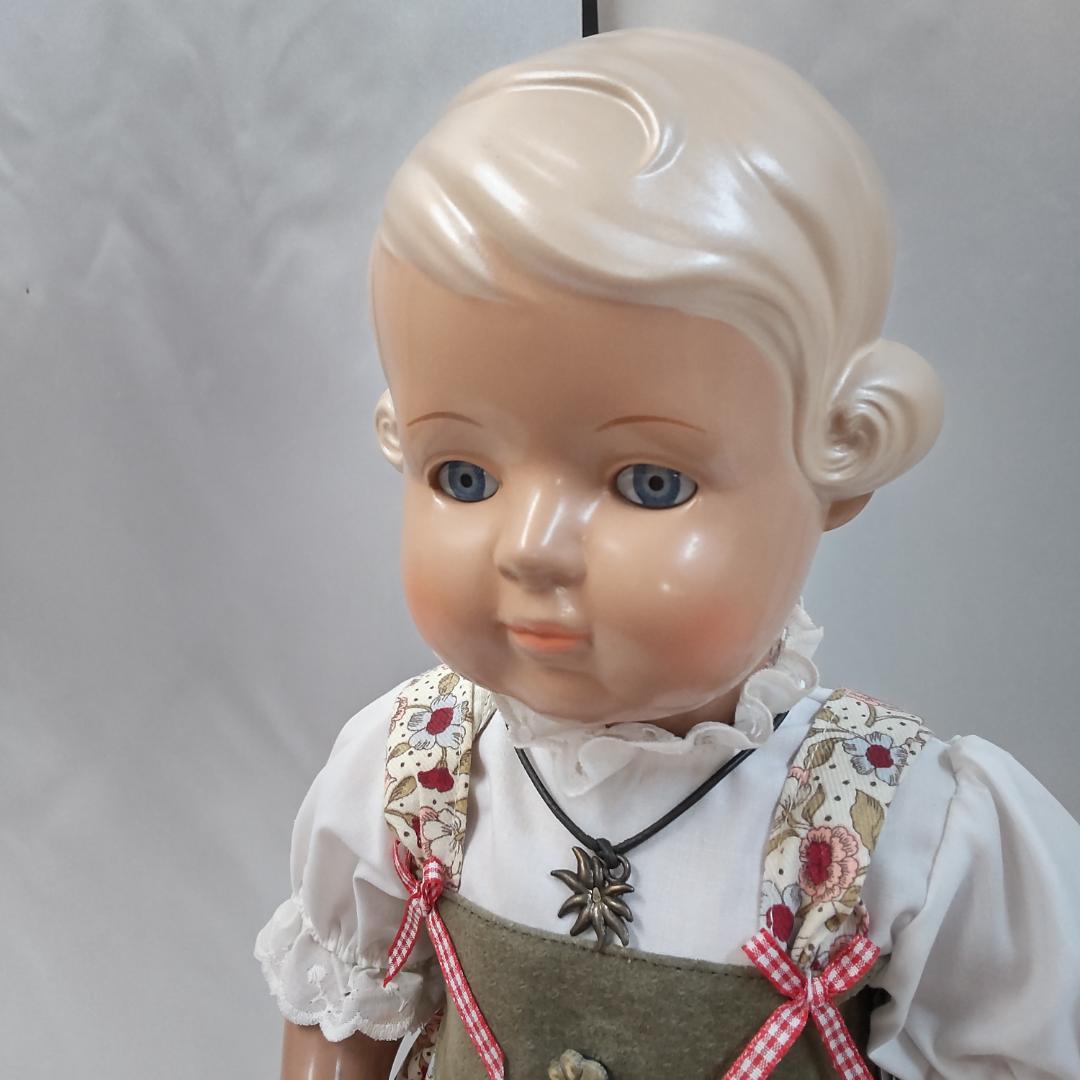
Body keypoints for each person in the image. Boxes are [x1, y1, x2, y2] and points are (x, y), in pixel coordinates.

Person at [256, 29, 1080, 1079]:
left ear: (840, 456)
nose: (532, 548)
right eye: (463, 476)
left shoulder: (906, 832)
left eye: (650, 482)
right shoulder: (411, 775)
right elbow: (339, 1025)